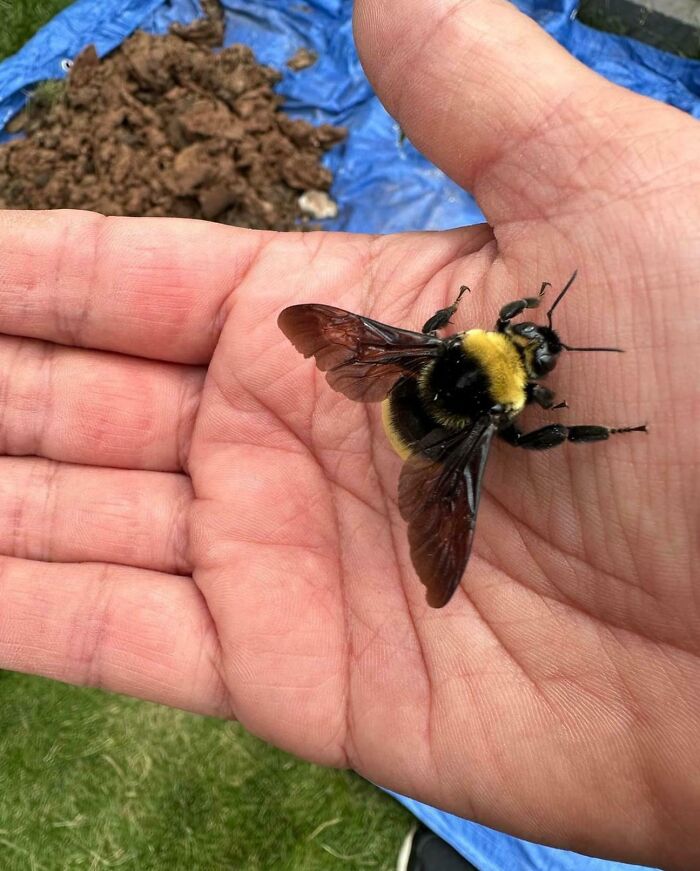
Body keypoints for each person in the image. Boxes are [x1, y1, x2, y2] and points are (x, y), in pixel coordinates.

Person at [0, 1, 696, 868]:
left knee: (425, 370)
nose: (530, 336)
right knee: (490, 453)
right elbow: (516, 422)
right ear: (518, 377)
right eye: (528, 343)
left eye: (527, 337)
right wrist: (585, 421)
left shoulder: (451, 343)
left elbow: (402, 341)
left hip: (410, 387)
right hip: (431, 426)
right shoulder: (500, 411)